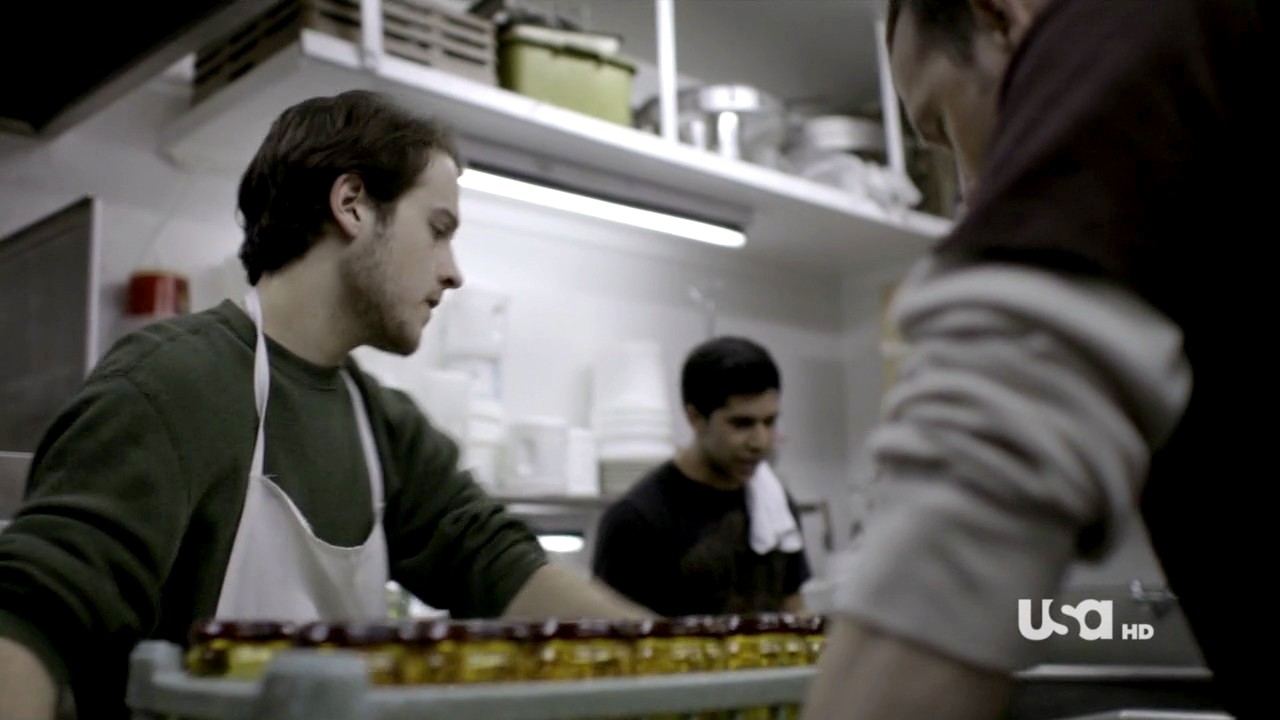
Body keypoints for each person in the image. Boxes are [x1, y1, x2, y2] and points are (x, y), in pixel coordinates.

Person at [0, 90, 650, 719]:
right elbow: (32, 620)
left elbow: (499, 565)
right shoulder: (171, 385)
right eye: (438, 230)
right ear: (352, 205)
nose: (454, 271)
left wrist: (684, 664)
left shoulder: (380, 425)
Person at [802, 0, 1265, 718]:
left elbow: (980, 485)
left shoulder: (1130, 25)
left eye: (943, 124)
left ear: (999, 17)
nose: (967, 192)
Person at [591, 336, 811, 617]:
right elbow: (613, 633)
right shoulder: (635, 520)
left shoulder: (774, 503)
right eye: (741, 423)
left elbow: (793, 606)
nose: (761, 441)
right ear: (695, 418)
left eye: (769, 422)